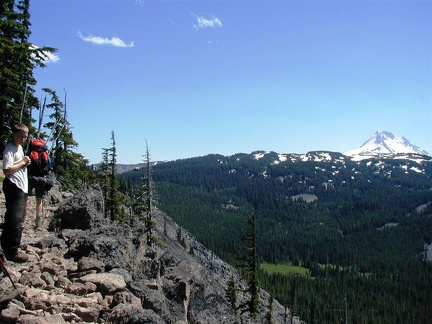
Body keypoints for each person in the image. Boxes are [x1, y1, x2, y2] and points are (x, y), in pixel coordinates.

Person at [1, 124, 31, 262]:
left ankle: (7, 246)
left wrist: (24, 162)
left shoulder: (18, 148)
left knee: (13, 217)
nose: (23, 139)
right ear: (13, 134)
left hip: (18, 186)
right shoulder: (10, 149)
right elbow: (6, 170)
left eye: (25, 137)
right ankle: (12, 251)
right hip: (13, 185)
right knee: (15, 219)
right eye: (21, 136)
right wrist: (23, 161)